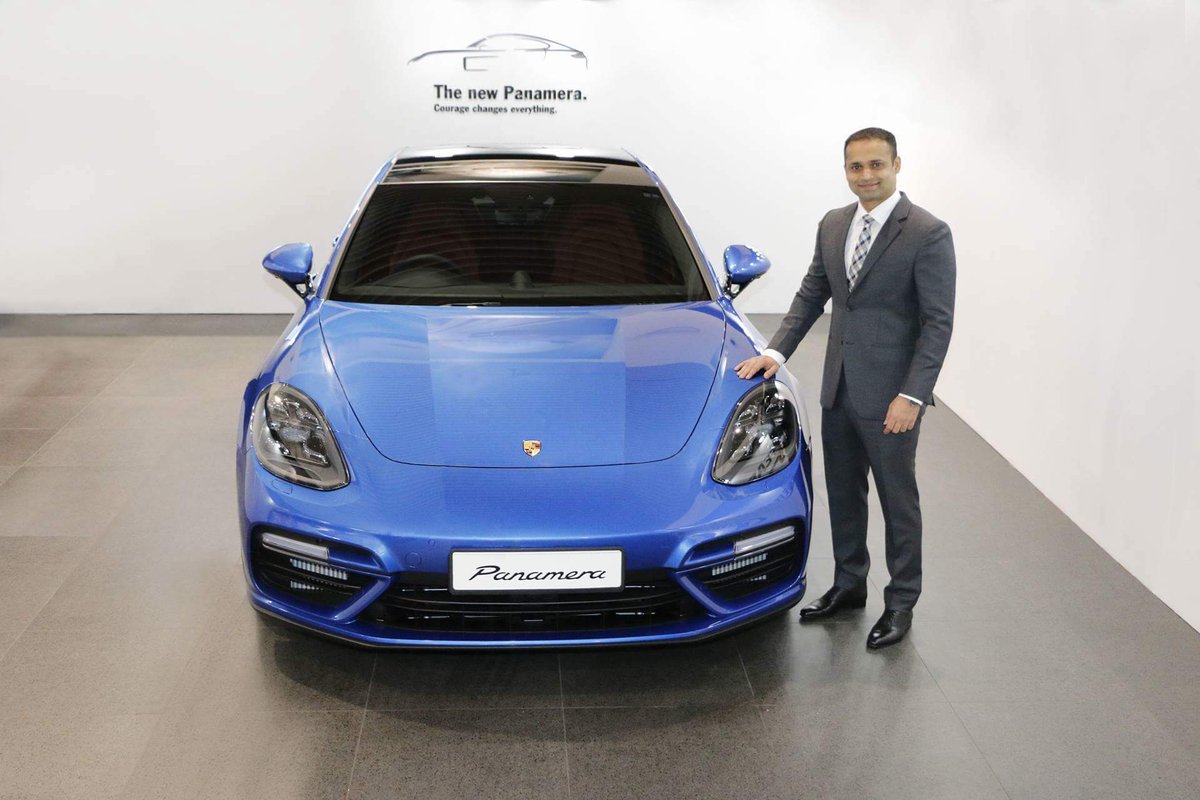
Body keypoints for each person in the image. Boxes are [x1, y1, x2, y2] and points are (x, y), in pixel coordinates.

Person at [735, 127, 955, 649]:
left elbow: (937, 323)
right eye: (856, 167)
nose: (866, 175)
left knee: (898, 501)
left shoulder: (927, 232)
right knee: (843, 494)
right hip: (838, 388)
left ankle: (900, 602)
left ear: (897, 164)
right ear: (846, 171)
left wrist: (913, 396)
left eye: (877, 164)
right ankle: (850, 585)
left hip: (892, 398)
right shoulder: (834, 224)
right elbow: (813, 293)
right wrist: (775, 352)